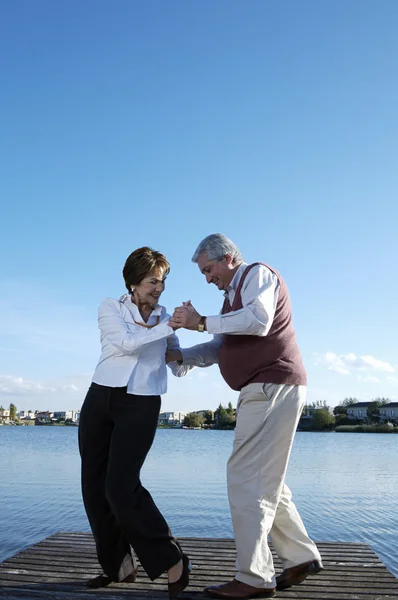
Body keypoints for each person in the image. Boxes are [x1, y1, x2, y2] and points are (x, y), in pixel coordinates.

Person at [167, 234, 323, 599]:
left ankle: (254, 577)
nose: (207, 278)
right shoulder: (231, 304)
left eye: (208, 269)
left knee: (244, 478)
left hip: (269, 386)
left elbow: (258, 321)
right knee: (266, 480)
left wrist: (201, 320)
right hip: (272, 387)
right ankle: (300, 556)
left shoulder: (257, 275)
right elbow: (220, 346)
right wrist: (179, 356)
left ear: (227, 259)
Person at [78, 246, 191, 598]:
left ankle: (172, 560)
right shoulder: (111, 307)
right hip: (100, 398)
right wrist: (167, 327)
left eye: (162, 281)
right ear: (133, 281)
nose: (158, 288)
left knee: (121, 487)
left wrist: (181, 352)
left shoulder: (165, 317)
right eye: (152, 281)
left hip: (141, 403)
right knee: (94, 488)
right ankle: (119, 568)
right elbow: (126, 344)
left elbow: (178, 364)